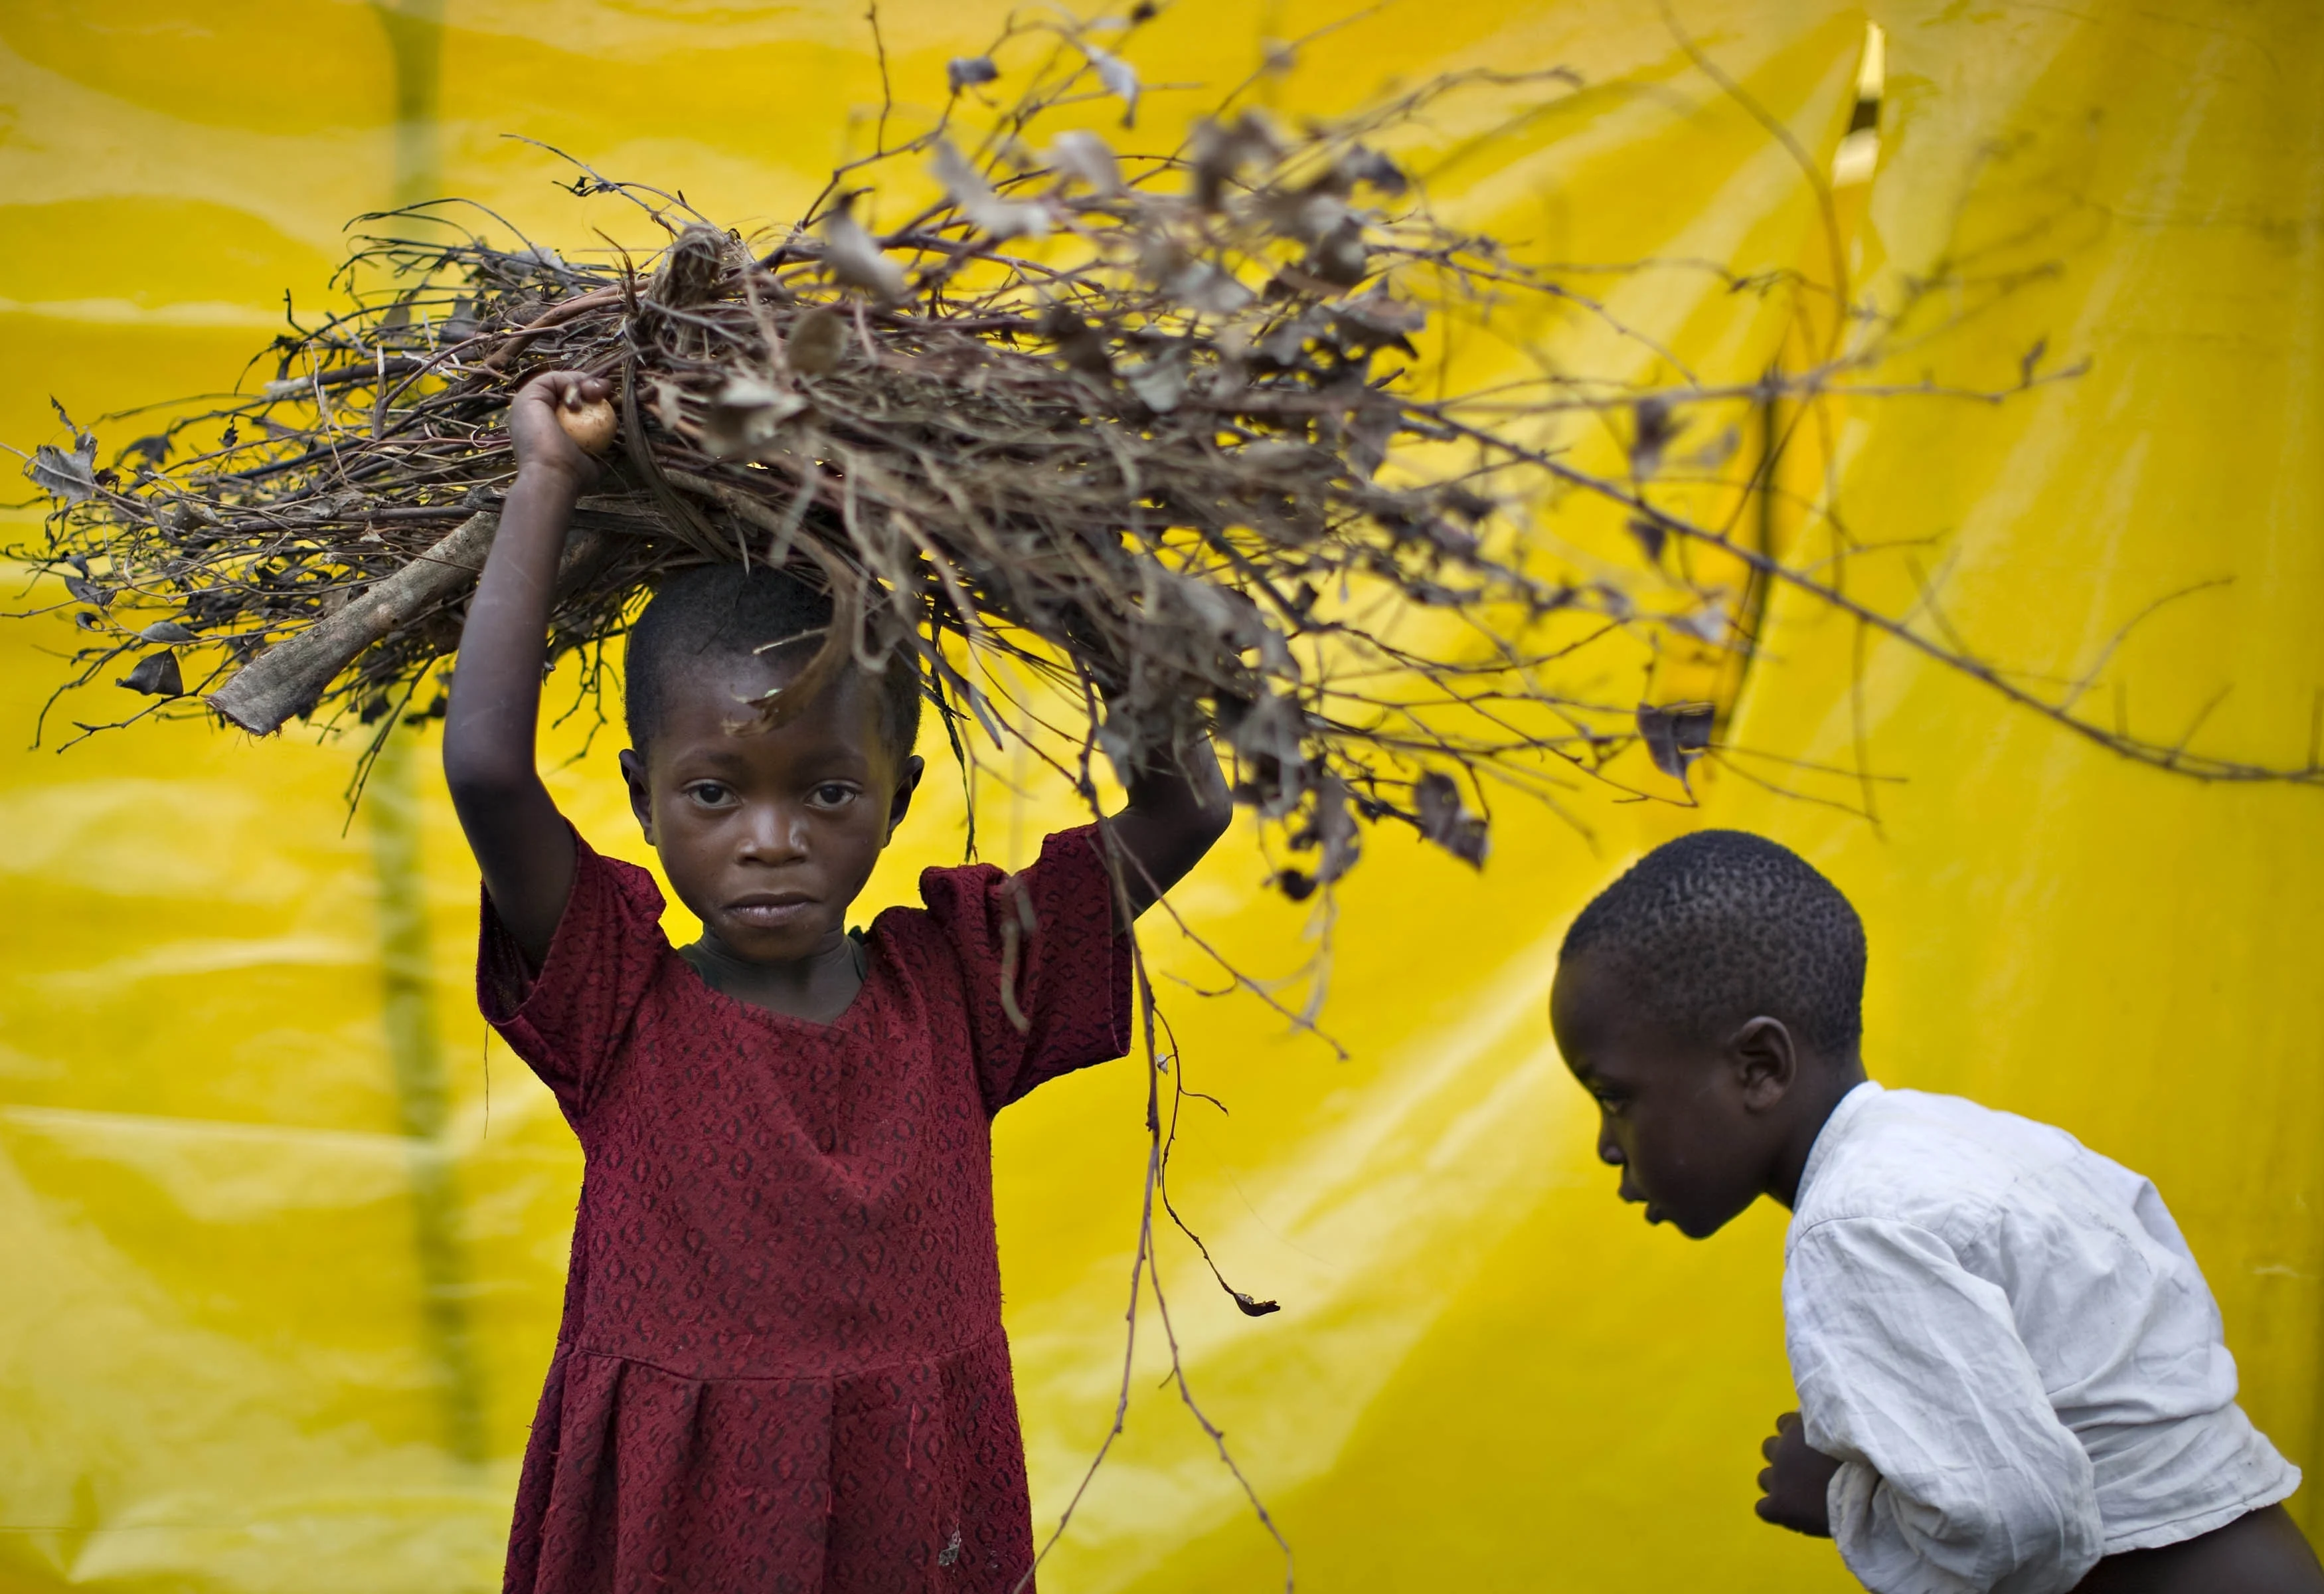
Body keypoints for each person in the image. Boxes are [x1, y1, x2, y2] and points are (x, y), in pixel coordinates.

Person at [442, 370, 1232, 1592]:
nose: (771, 839)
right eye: (715, 793)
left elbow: (1189, 802)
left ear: (897, 798)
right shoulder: (614, 997)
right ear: (645, 797)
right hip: (678, 1521)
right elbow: (491, 773)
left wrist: (1053, 537)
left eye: (825, 791)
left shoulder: (967, 987)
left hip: (918, 1515)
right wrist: (549, 474)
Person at [1548, 830, 2322, 1594]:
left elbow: (2021, 1528)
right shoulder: (1979, 1144)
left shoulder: (1852, 1228)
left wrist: (1843, 1501)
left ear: (1759, 1068)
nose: (1605, 1147)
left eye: (1615, 1099)